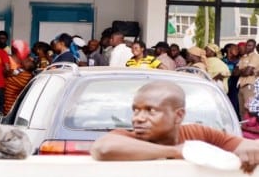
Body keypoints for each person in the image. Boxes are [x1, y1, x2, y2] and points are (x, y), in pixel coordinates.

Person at [90, 81, 259, 173]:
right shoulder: (130, 138)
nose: (138, 119)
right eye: (136, 110)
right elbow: (103, 148)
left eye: (151, 110)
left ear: (178, 115)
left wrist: (250, 151)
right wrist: (178, 151)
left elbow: (248, 146)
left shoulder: (199, 133)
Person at [3, 40, 35, 115]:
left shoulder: (24, 66)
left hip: (16, 99)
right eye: (25, 51)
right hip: (7, 98)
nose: (28, 57)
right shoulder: (7, 60)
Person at [237, 39, 259, 119]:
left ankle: (251, 130)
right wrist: (245, 70)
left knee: (249, 109)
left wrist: (243, 71)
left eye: (250, 45)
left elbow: (246, 72)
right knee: (242, 111)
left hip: (250, 85)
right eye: (247, 45)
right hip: (241, 85)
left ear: (254, 47)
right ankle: (244, 130)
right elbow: (235, 72)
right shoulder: (243, 57)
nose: (247, 47)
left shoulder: (255, 56)